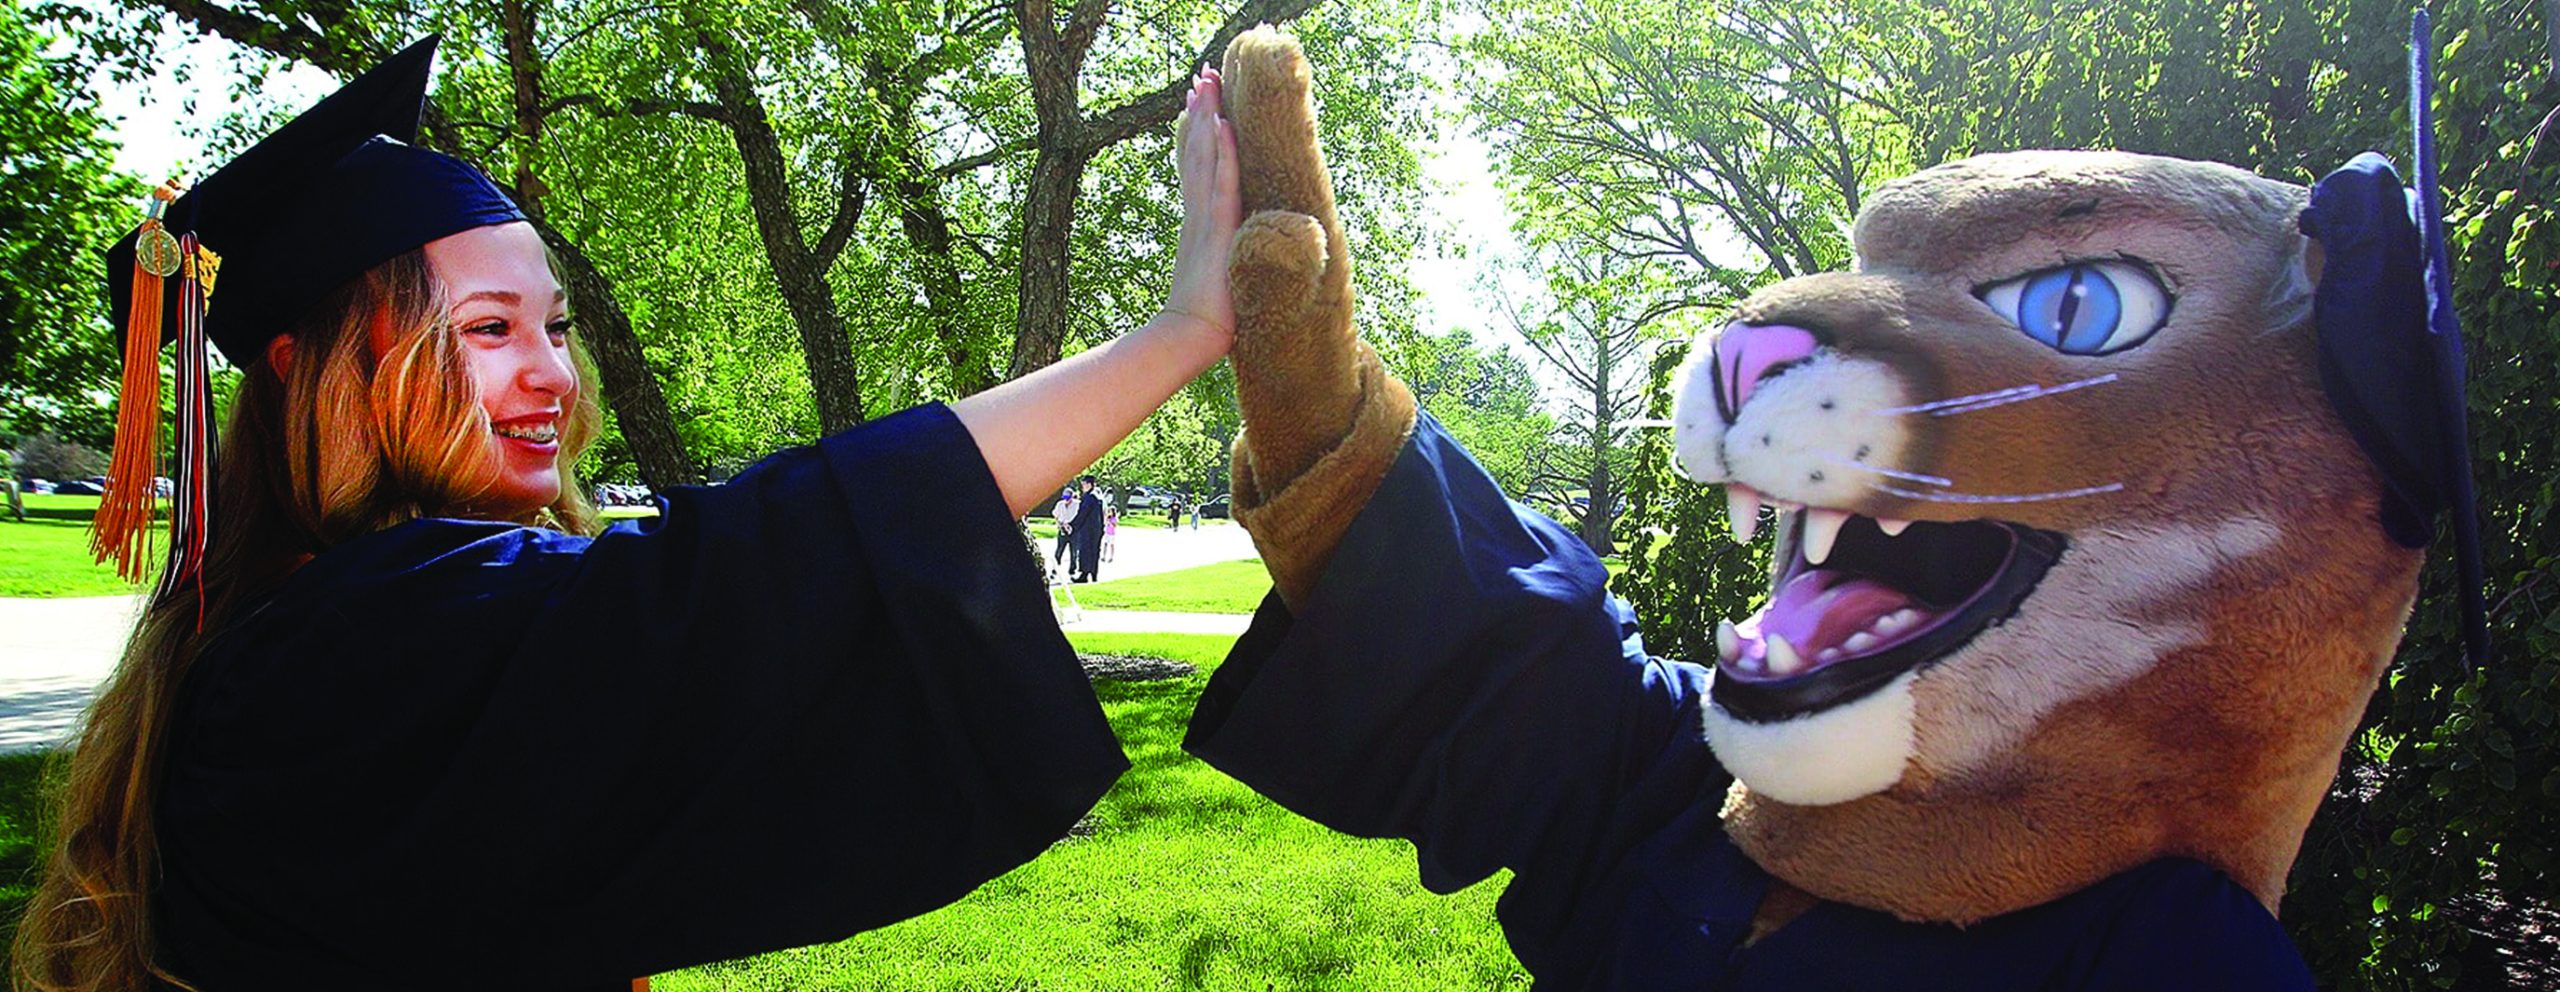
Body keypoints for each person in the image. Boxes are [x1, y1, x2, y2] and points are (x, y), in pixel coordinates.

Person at [13, 38, 1242, 992]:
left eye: (554, 325)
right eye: (488, 329)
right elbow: (722, 592)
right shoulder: (349, 644)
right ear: (318, 365)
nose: (555, 374)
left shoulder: (303, 626)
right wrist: (1180, 330)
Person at [1067, 475, 1107, 582]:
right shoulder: (1098, 497)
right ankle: (1093, 574)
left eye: (1084, 484)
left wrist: (1072, 525)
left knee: (1085, 551)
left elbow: (1082, 514)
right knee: (1094, 552)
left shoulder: (1089, 498)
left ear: (1089, 485)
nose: (1082, 487)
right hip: (1096, 530)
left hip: (1087, 529)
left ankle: (1084, 574)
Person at [1050, 487, 1077, 567]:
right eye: (1065, 498)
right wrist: (1059, 524)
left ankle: (1072, 568)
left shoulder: (1077, 504)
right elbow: (1055, 515)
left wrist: (1070, 525)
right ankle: (1055, 567)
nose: (1066, 500)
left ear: (1072, 496)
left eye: (1068, 498)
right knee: (1059, 549)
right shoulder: (1060, 504)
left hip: (1073, 528)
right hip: (1062, 527)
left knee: (1074, 551)